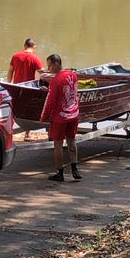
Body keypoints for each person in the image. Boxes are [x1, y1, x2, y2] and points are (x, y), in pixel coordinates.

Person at [42, 53, 81, 182]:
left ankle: (60, 173)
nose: (49, 69)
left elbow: (50, 101)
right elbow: (74, 92)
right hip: (74, 114)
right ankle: (75, 168)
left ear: (55, 64)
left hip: (60, 116)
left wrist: (43, 117)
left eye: (49, 66)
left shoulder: (55, 81)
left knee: (58, 145)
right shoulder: (73, 75)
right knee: (71, 140)